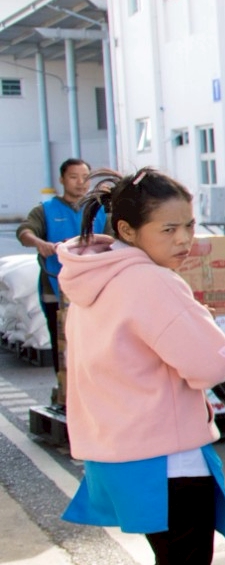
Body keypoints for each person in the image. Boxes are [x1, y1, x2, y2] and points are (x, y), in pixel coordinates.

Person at [59, 169, 225, 565]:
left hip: (121, 450)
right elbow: (210, 365)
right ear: (129, 230)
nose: (185, 238)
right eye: (170, 228)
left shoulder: (95, 277)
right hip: (163, 454)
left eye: (190, 224)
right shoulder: (151, 284)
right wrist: (212, 332)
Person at [13, 158, 102, 410]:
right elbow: (25, 231)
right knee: (63, 341)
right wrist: (39, 243)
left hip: (93, 289)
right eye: (74, 177)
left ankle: (94, 394)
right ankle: (67, 394)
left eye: (85, 177)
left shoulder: (99, 209)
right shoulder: (46, 210)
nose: (80, 183)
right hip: (56, 288)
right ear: (62, 180)